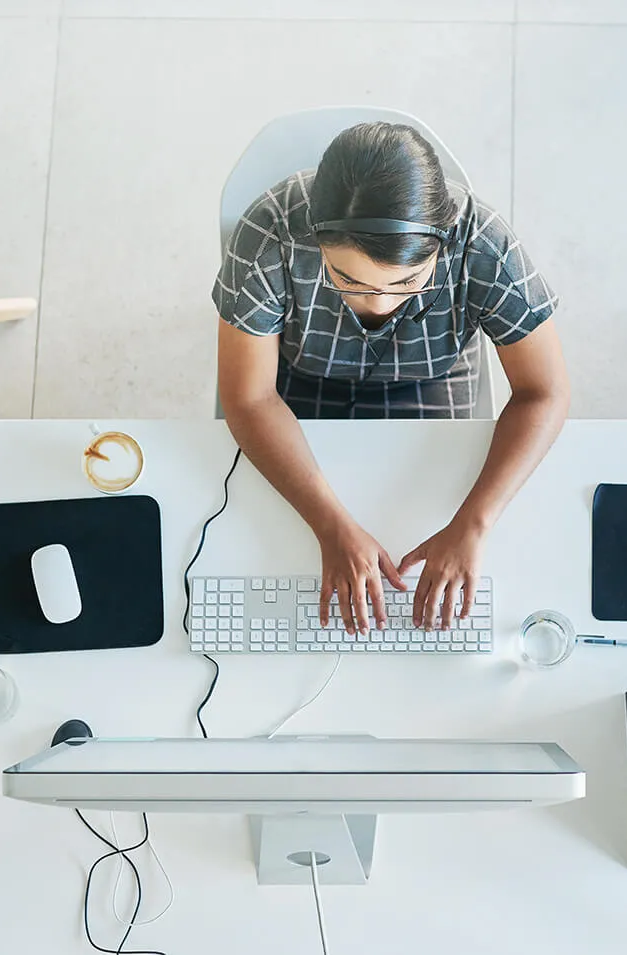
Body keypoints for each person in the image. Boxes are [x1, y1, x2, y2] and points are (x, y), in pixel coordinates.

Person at [215, 122, 569, 635]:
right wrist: (331, 526)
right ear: (315, 236)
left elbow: (546, 391)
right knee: (272, 546)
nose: (378, 303)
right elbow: (248, 397)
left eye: (407, 281)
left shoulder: (483, 240)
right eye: (348, 279)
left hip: (432, 379)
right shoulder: (269, 231)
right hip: (295, 382)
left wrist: (474, 523)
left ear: (444, 242)